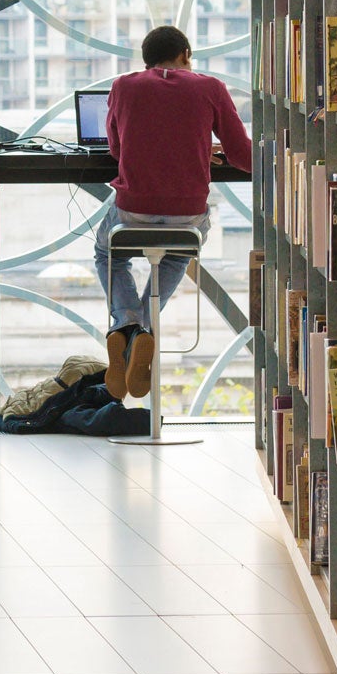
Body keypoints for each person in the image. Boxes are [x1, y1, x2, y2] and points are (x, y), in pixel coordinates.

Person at [96, 25, 251, 402]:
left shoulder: (123, 86)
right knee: (176, 254)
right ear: (186, 54)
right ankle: (144, 329)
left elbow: (117, 150)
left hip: (134, 211)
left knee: (107, 254)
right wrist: (203, 149)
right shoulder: (210, 87)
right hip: (187, 217)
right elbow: (244, 158)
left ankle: (128, 325)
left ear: (146, 60)